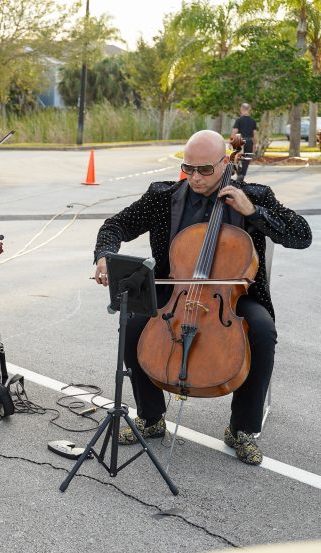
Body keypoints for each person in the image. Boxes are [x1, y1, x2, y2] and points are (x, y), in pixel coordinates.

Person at [92, 130, 312, 465]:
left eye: (205, 170)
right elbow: (116, 225)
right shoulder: (163, 196)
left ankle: (241, 428)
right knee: (133, 324)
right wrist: (104, 254)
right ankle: (151, 419)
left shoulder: (255, 195)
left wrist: (253, 212)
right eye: (188, 169)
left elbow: (302, 235)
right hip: (176, 291)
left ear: (225, 163)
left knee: (262, 331)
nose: (195, 177)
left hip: (232, 297)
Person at [230, 102, 258, 182]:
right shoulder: (253, 121)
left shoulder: (239, 120)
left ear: (241, 109)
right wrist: (255, 144)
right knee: (246, 159)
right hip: (249, 141)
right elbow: (255, 133)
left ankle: (239, 174)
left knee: (236, 159)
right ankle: (242, 175)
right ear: (249, 110)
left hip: (239, 141)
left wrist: (231, 141)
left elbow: (235, 131)